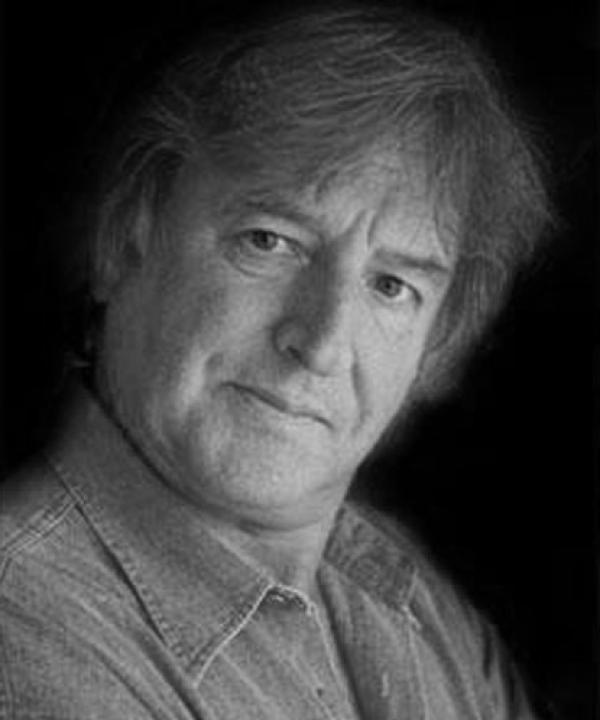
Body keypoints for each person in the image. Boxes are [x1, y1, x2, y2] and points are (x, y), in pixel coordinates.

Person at [0, 1, 553, 717]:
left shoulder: (430, 614)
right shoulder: (27, 629)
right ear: (124, 234)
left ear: (436, 342)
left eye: (391, 286)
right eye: (269, 241)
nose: (320, 345)